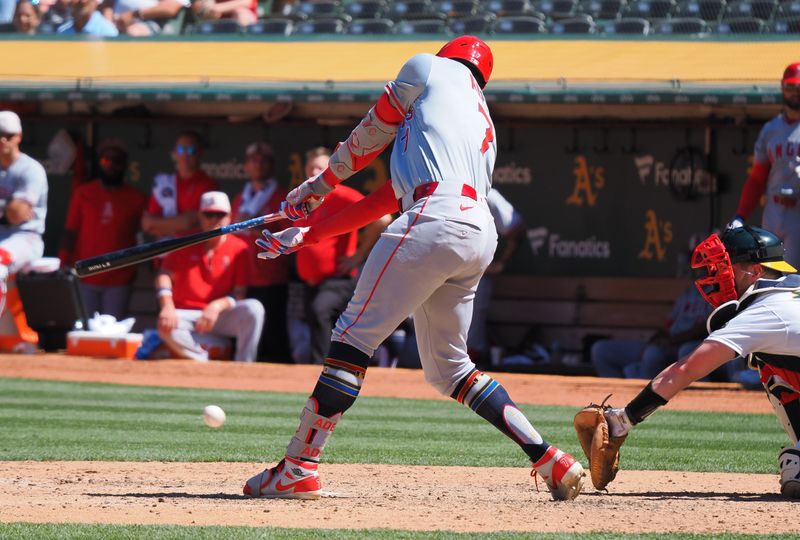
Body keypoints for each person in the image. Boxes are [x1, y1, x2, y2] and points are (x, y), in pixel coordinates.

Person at [243, 36, 586, 501]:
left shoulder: (428, 68)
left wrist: (319, 184)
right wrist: (308, 233)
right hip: (475, 231)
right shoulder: (474, 118)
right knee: (451, 369)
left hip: (435, 216)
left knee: (353, 336)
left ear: (448, 57)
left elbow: (370, 131)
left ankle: (299, 466)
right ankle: (551, 459)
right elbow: (386, 199)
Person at [601, 226, 800, 499]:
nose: (716, 275)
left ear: (755, 271)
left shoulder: (762, 311)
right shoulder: (789, 292)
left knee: (796, 466)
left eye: (725, 266)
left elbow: (686, 370)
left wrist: (624, 419)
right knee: (776, 373)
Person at [292, 146, 390, 365]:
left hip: (338, 279)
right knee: (317, 318)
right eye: (311, 168)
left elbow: (383, 218)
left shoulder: (342, 194)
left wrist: (359, 255)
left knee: (321, 310)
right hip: (310, 282)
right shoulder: (301, 199)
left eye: (320, 168)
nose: (314, 172)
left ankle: (322, 368)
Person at [155, 191, 264, 362]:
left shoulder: (239, 248)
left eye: (219, 214)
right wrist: (167, 306)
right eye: (209, 214)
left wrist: (216, 306)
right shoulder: (185, 242)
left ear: (229, 217)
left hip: (219, 316)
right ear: (200, 216)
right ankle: (202, 361)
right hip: (187, 314)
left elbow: (239, 293)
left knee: (254, 308)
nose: (214, 219)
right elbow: (164, 275)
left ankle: (244, 364)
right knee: (164, 325)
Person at [59, 140, 146, 320]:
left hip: (119, 278)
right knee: (84, 332)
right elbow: (70, 231)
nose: (112, 166)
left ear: (124, 165)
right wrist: (62, 262)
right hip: (85, 274)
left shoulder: (137, 198)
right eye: (107, 161)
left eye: (117, 161)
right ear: (100, 163)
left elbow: (144, 235)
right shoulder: (83, 193)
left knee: (112, 333)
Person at [729, 63, 800, 269]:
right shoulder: (771, 129)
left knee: (792, 279)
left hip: (798, 208)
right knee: (766, 272)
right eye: (790, 87)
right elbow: (757, 177)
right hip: (774, 209)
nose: (795, 93)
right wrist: (741, 215)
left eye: (799, 88)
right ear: (782, 88)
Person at [231, 141, 291, 362]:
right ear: (246, 166)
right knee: (245, 337)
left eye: (263, 160)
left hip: (270, 277)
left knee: (273, 337)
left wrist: (255, 230)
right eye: (253, 160)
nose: (258, 165)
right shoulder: (240, 198)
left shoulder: (283, 197)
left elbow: (291, 236)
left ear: (272, 166)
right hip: (242, 276)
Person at [591, 283, 712, 379]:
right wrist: (654, 340)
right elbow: (667, 326)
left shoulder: (716, 293)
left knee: (655, 354)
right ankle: (617, 396)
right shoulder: (689, 292)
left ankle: (650, 398)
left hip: (694, 344)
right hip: (670, 343)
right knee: (601, 350)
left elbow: (705, 327)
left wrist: (672, 341)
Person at [467, 187, 525, 367]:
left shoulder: (485, 192)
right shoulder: (436, 188)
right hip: (439, 274)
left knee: (469, 347)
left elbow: (516, 227)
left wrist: (500, 263)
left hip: (474, 278)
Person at [0, 111, 48, 312]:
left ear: (18, 136)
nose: (2, 140)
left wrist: (11, 211)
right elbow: (11, 212)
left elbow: (17, 214)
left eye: (8, 135)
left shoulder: (30, 169)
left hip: (26, 237)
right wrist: (7, 207)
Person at [141, 131, 217, 242]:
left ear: (200, 153)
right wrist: (178, 224)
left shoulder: (207, 184)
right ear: (174, 153)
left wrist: (161, 225)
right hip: (165, 255)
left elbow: (190, 222)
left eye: (191, 150)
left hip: (193, 252)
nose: (185, 155)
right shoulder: (165, 183)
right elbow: (148, 225)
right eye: (181, 150)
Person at [109, 0, 189, 36]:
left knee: (133, 32)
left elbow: (171, 7)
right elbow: (107, 4)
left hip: (153, 21)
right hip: (115, 21)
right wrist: (109, 22)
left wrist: (133, 15)